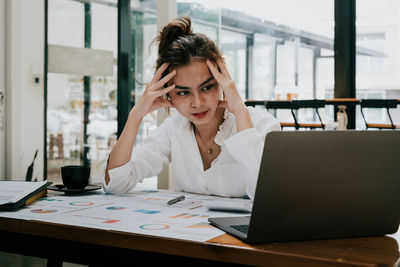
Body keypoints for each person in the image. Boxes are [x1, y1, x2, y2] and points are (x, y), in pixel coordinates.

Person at [102, 16, 280, 200]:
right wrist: (136, 115)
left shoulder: (262, 125)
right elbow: (116, 184)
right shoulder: (174, 128)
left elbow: (269, 197)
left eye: (207, 87)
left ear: (222, 80)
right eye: (183, 92)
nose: (197, 102)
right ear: (167, 94)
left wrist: (240, 111)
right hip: (183, 228)